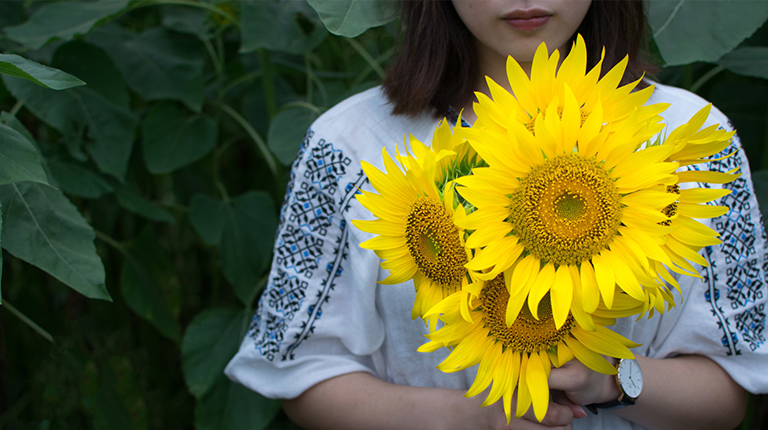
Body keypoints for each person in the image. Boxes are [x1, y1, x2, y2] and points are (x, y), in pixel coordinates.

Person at [225, 1, 768, 429]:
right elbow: (300, 371)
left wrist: (608, 380)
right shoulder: (350, 146)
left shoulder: (687, 139)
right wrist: (470, 419)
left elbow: (729, 390)